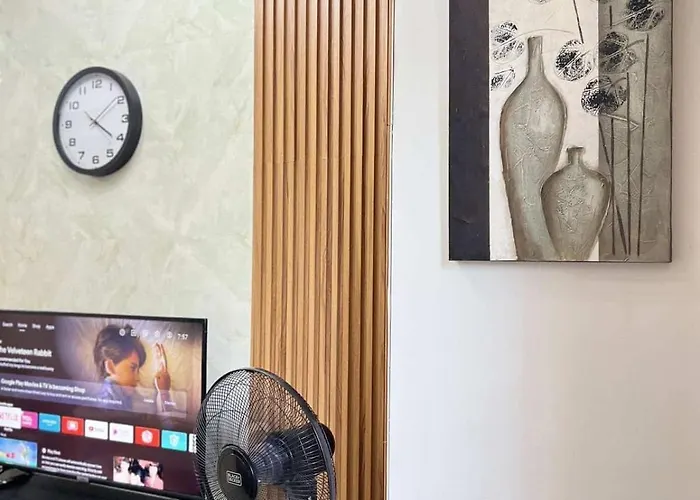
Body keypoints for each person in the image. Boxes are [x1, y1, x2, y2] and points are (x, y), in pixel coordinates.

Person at [93, 324, 172, 412]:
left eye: (138, 370)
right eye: (132, 368)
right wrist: (164, 394)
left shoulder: (122, 396)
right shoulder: (108, 405)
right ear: (110, 367)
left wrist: (162, 392)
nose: (137, 378)